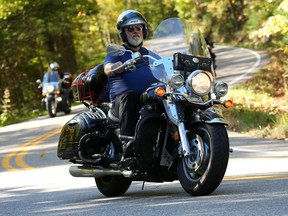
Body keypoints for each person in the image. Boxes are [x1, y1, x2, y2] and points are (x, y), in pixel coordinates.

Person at [104, 10, 159, 154]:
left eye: (138, 28)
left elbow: (168, 66)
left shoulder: (150, 54)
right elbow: (108, 68)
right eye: (130, 29)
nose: (135, 32)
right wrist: (116, 67)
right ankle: (128, 144)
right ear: (123, 33)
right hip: (122, 103)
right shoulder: (116, 52)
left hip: (150, 98)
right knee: (130, 96)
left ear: (144, 31)